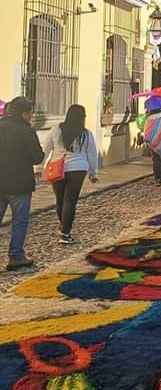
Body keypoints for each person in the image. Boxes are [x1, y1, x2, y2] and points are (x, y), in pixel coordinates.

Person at [42, 104, 99, 242]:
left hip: (58, 168)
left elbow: (46, 149)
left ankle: (63, 225)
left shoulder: (56, 130)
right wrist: (93, 172)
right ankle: (65, 232)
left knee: (60, 200)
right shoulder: (86, 134)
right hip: (78, 169)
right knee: (70, 201)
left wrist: (38, 168)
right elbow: (92, 154)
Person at [0, 96, 44, 269]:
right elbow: (37, 157)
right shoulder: (26, 131)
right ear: (25, 113)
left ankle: (16, 256)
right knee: (20, 221)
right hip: (19, 185)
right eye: (31, 113)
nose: (31, 116)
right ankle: (16, 256)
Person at [143, 96, 161, 186]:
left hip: (154, 140)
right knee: (160, 158)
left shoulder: (150, 118)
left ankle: (159, 178)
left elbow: (147, 130)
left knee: (156, 159)